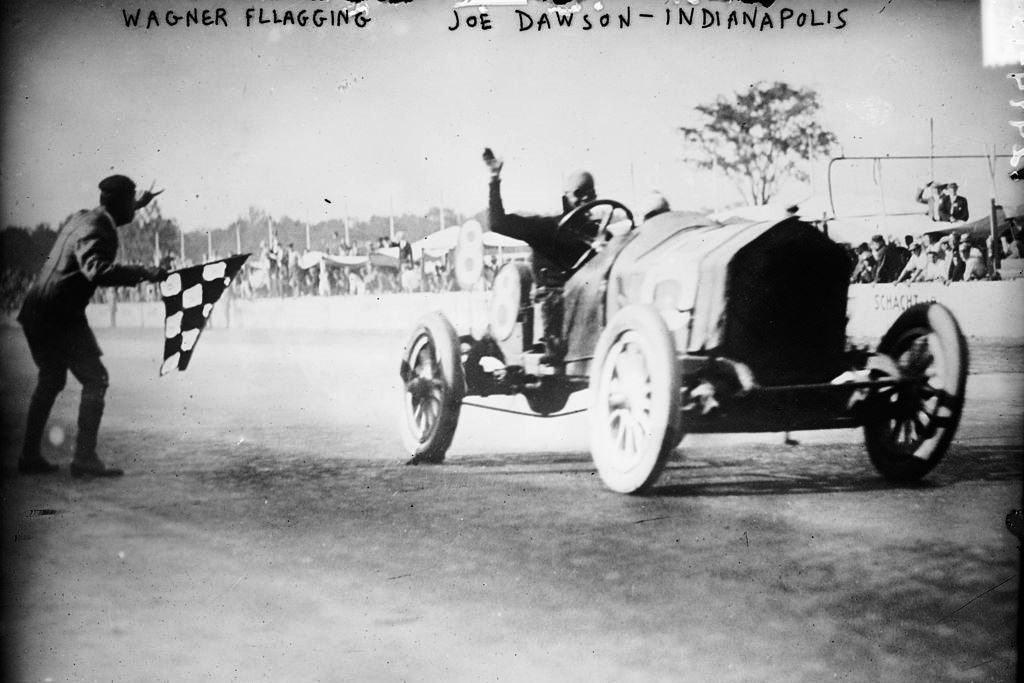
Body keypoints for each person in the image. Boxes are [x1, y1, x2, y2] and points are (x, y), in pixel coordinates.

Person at [17, 175, 166, 477]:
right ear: (120, 204)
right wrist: (144, 272)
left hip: (36, 309)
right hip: (59, 314)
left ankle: (29, 456)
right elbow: (96, 270)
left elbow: (112, 217)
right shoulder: (99, 228)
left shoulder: (85, 217)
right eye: (131, 202)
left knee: (51, 379)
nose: (134, 209)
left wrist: (139, 203)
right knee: (96, 379)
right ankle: (84, 458)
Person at [484, 148, 600, 361]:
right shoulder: (546, 228)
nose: (586, 198)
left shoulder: (598, 233)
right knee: (555, 302)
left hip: (589, 300)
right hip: (556, 301)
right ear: (567, 198)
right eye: (579, 193)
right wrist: (494, 179)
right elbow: (498, 223)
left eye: (590, 193)